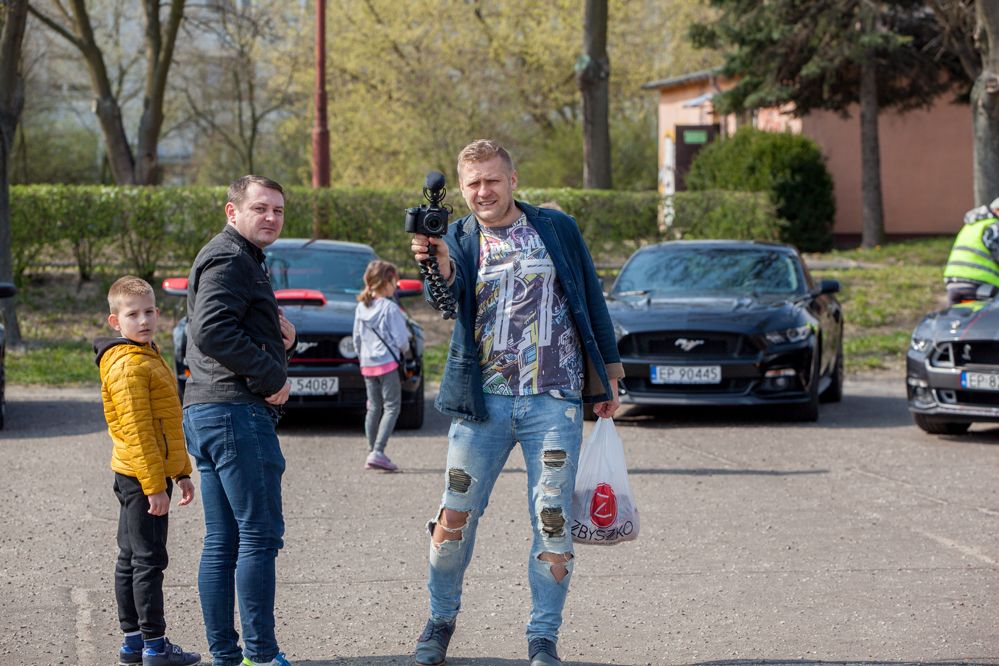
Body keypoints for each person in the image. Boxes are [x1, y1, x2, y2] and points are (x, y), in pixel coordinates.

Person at [409, 140, 624, 666]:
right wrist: (437, 267)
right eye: (473, 183)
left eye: (492, 180)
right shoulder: (457, 236)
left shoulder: (557, 228)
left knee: (552, 520)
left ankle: (543, 638)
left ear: (512, 180)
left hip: (554, 401)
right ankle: (440, 620)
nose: (483, 191)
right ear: (462, 189)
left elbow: (591, 300)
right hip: (482, 402)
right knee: (453, 518)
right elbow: (445, 301)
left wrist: (609, 379)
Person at [182, 175, 297, 666]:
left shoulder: (239, 257)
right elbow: (210, 331)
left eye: (277, 210)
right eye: (259, 208)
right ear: (232, 212)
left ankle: (227, 657)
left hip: (209, 411)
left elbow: (227, 327)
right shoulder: (230, 257)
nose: (270, 217)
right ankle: (261, 656)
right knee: (258, 536)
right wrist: (272, 374)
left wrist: (280, 340)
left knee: (224, 541)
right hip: (234, 413)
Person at [93, 276, 200, 666]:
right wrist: (155, 485)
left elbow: (165, 424)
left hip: (142, 473)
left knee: (132, 556)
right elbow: (139, 433)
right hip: (142, 477)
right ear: (115, 321)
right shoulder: (128, 365)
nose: (144, 320)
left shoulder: (146, 353)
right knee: (149, 559)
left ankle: (133, 643)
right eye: (133, 314)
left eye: (150, 311)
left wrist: (181, 472)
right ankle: (154, 645)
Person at [353, 259, 411, 471]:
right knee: (392, 406)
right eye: (395, 281)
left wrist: (363, 359)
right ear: (386, 282)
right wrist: (405, 352)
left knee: (373, 406)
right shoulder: (391, 308)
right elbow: (402, 341)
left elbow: (357, 339)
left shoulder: (361, 307)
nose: (396, 286)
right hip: (387, 364)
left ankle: (371, 450)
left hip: (367, 365)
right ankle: (378, 451)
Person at [944, 198, 999, 304]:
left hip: (953, 283)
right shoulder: (995, 227)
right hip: (980, 285)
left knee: (957, 314)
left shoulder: (973, 225)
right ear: (995, 210)